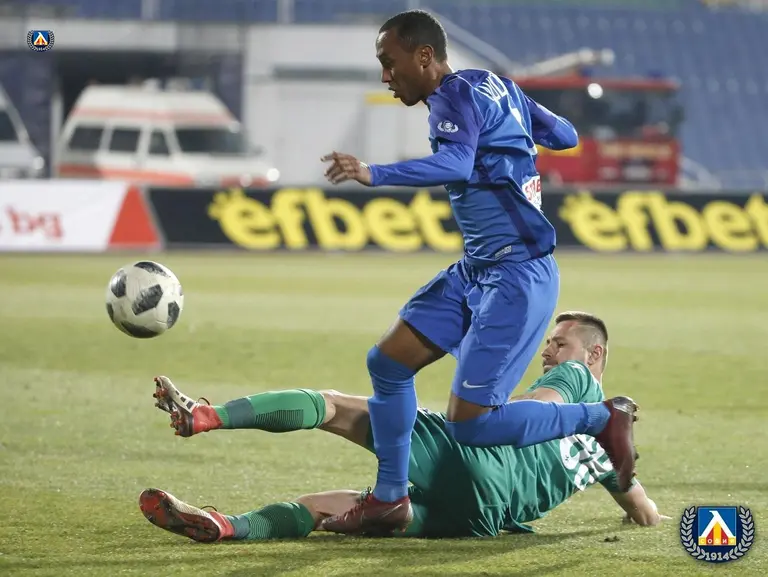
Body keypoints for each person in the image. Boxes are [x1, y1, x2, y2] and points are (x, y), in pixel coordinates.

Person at [318, 9, 638, 534]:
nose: (385, 75)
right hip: (478, 269)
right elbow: (564, 134)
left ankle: (603, 418)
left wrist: (373, 172)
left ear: (425, 55)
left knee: (470, 426)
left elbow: (456, 164)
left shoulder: (451, 97)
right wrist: (513, 133)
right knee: (389, 363)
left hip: (515, 274)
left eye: (389, 62)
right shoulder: (496, 86)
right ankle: (389, 498)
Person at [140, 312, 662, 543]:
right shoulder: (612, 449)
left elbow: (539, 406)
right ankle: (228, 526)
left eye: (560, 343)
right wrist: (642, 511)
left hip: (476, 456)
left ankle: (207, 416)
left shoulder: (576, 379)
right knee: (329, 507)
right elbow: (643, 512)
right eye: (548, 343)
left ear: (593, 354)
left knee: (334, 407)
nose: (548, 351)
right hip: (485, 517)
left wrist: (496, 407)